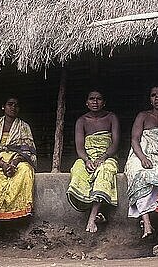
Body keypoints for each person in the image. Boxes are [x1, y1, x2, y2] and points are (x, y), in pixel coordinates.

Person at [0, 97, 36, 237]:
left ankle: (14, 221)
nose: (13, 107)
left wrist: (14, 163)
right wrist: (3, 164)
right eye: (10, 104)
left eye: (16, 105)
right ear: (3, 106)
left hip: (18, 159)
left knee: (25, 172)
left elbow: (29, 150)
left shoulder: (24, 127)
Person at [124, 85, 158, 238]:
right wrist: (142, 158)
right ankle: (146, 221)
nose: (157, 98)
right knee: (138, 172)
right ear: (150, 99)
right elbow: (134, 140)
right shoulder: (143, 116)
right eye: (153, 95)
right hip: (140, 153)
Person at [67, 90, 120, 233]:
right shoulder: (82, 121)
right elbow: (79, 147)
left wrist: (103, 157)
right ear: (87, 102)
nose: (95, 102)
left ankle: (92, 218)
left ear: (104, 102)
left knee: (104, 170)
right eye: (91, 99)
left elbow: (115, 143)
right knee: (77, 169)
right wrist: (86, 160)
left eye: (99, 99)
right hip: (87, 156)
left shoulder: (111, 118)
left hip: (107, 156)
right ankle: (98, 211)